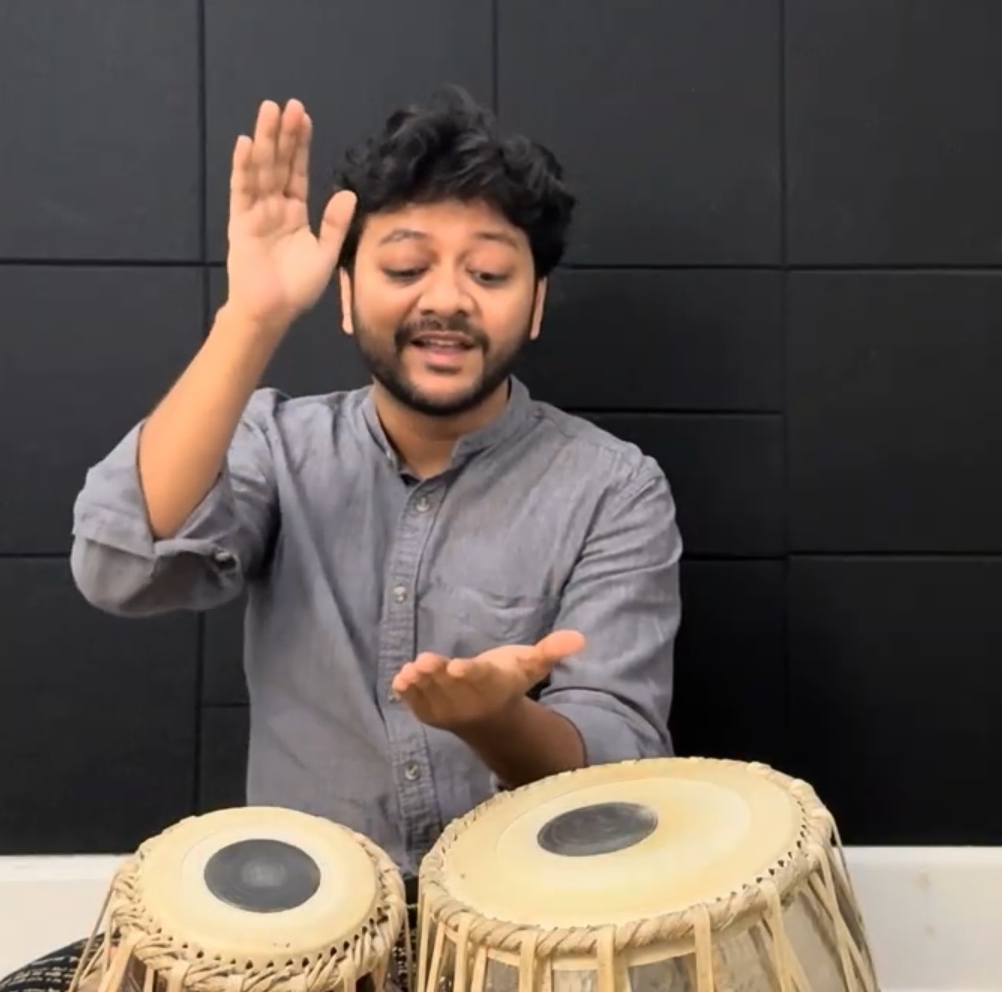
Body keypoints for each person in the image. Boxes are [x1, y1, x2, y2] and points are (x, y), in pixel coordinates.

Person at [67, 88, 683, 877]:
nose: (447, 299)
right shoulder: (276, 445)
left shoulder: (613, 488)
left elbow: (618, 770)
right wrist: (251, 317)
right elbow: (118, 570)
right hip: (306, 929)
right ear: (348, 295)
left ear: (535, 305)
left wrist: (497, 721)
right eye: (404, 265)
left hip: (525, 927)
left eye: (489, 272)